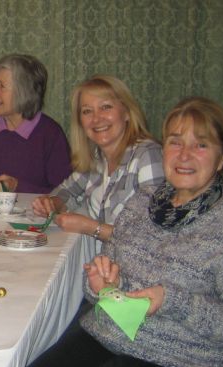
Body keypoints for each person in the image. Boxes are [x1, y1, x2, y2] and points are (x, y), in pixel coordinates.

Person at [10, 97, 223, 367]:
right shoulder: (145, 201)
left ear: (222, 157)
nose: (184, 155)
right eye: (174, 141)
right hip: (118, 330)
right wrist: (102, 283)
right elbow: (104, 276)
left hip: (185, 364)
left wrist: (173, 301)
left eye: (200, 144)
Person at [32, 75, 164, 242]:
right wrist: (52, 203)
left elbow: (153, 237)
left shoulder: (148, 156)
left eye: (106, 107)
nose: (96, 118)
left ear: (127, 113)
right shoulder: (97, 157)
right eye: (87, 111)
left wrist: (92, 227)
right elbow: (68, 190)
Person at [0, 54, 71, 193]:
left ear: (24, 92)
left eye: (2, 86)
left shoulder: (50, 134)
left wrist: (17, 186)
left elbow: (63, 194)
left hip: (30, 213)